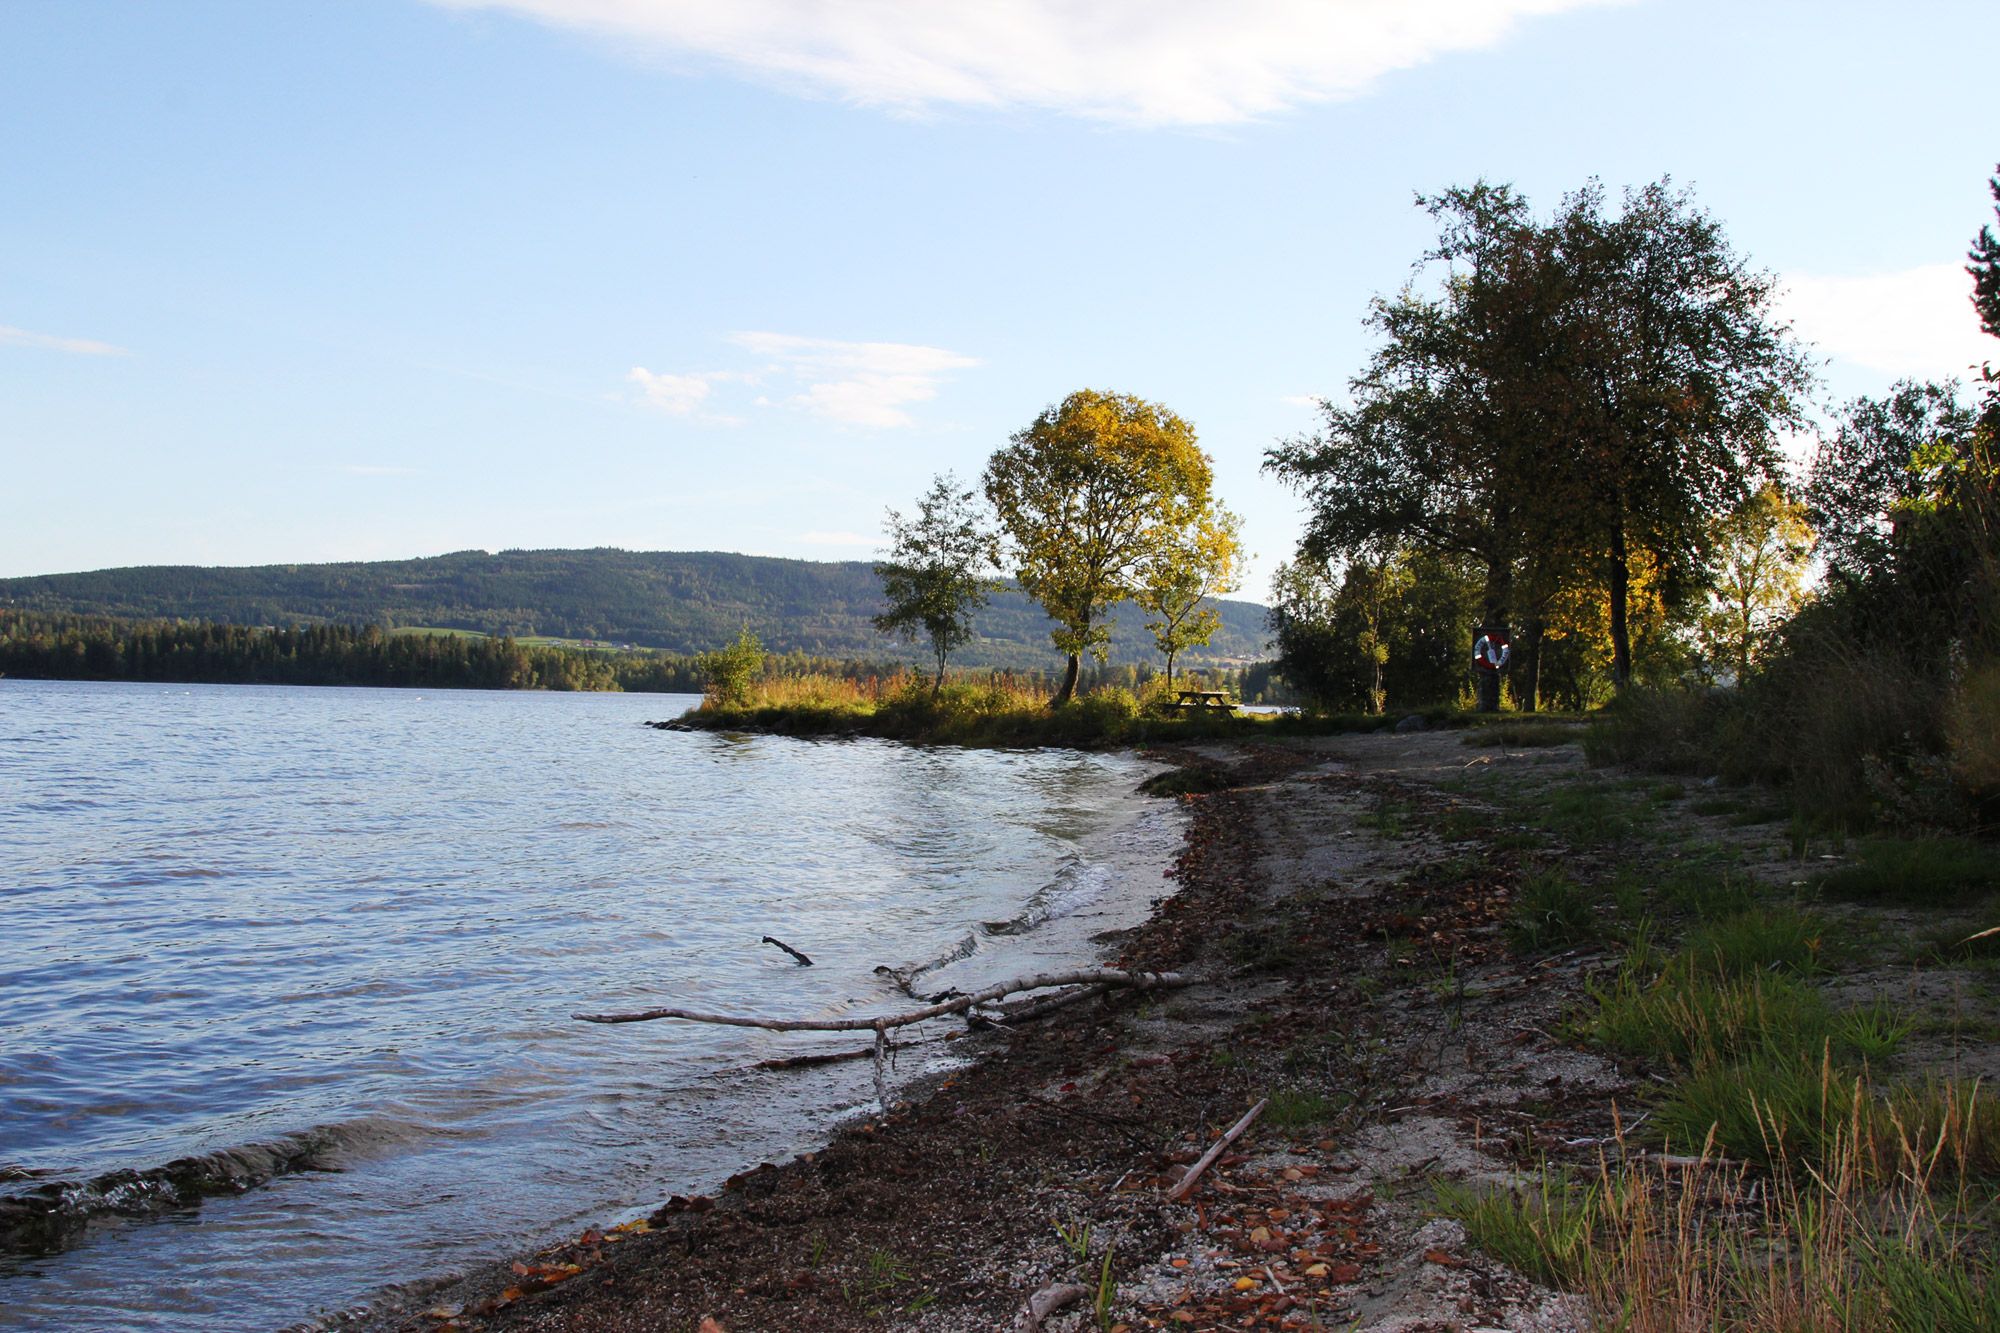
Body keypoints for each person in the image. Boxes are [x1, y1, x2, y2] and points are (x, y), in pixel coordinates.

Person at [1471, 623, 1511, 713]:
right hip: (1487, 665)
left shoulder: (1498, 644)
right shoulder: (1485, 645)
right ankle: (1485, 706)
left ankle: (1488, 707)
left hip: (1493, 665)